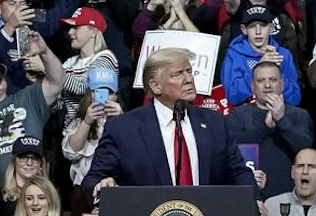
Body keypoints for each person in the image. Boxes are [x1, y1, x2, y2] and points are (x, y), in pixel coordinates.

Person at [82, 47, 255, 192]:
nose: (188, 79)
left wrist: (254, 199)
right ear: (156, 86)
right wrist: (101, 185)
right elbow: (93, 179)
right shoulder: (123, 128)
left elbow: (239, 172)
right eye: (178, 74)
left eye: (189, 71)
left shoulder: (214, 123)